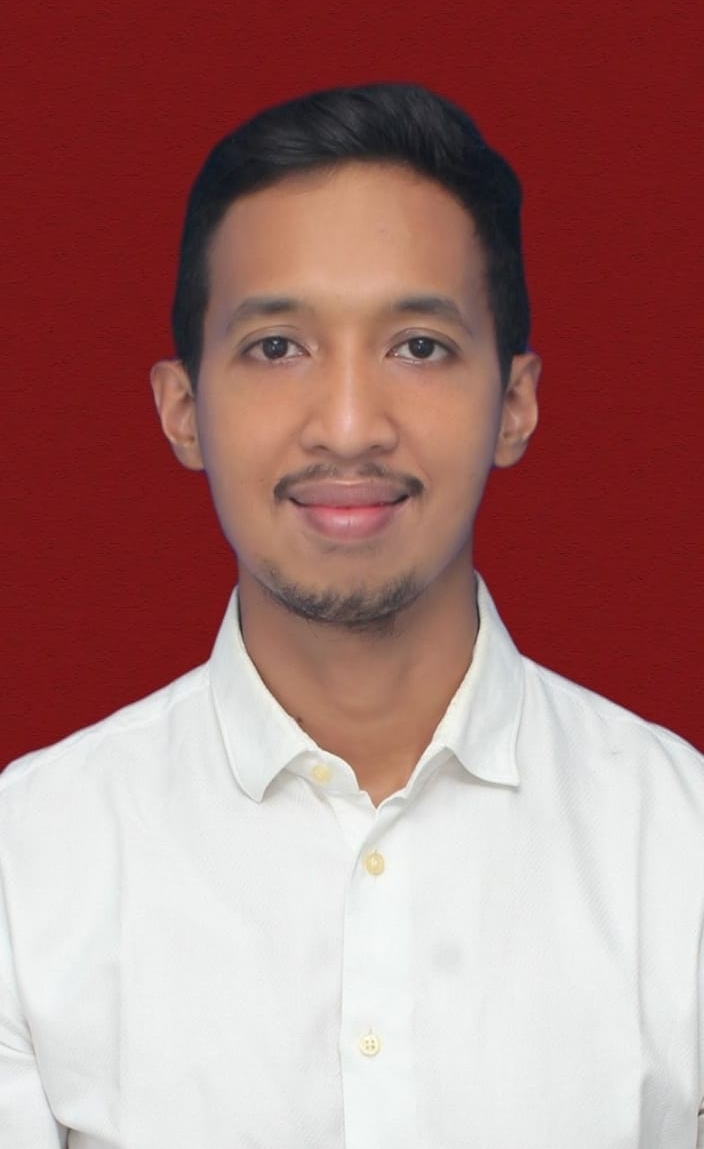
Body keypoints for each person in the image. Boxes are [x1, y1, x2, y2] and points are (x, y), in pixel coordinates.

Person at [0, 82, 702, 1149]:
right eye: (276, 346)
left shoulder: (679, 848)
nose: (346, 425)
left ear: (513, 404)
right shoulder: (27, 863)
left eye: (417, 346)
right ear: (182, 410)